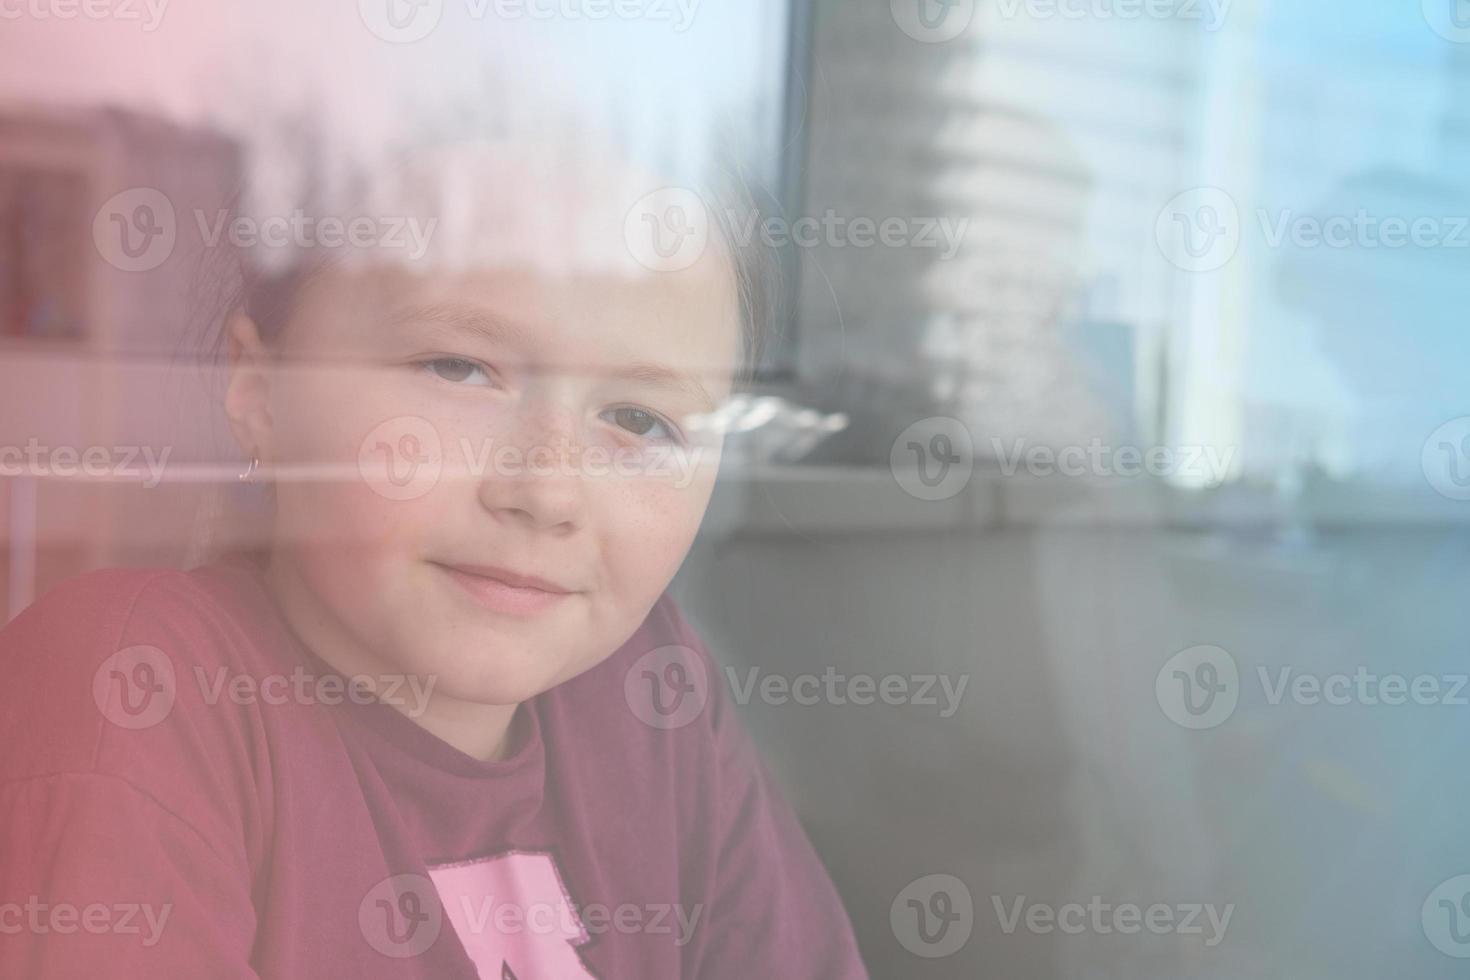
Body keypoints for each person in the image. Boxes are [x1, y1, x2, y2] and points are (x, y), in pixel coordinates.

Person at [0, 136, 867, 978]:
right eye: (457, 370)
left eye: (640, 421)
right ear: (263, 394)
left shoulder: (651, 696)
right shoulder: (140, 684)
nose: (547, 492)